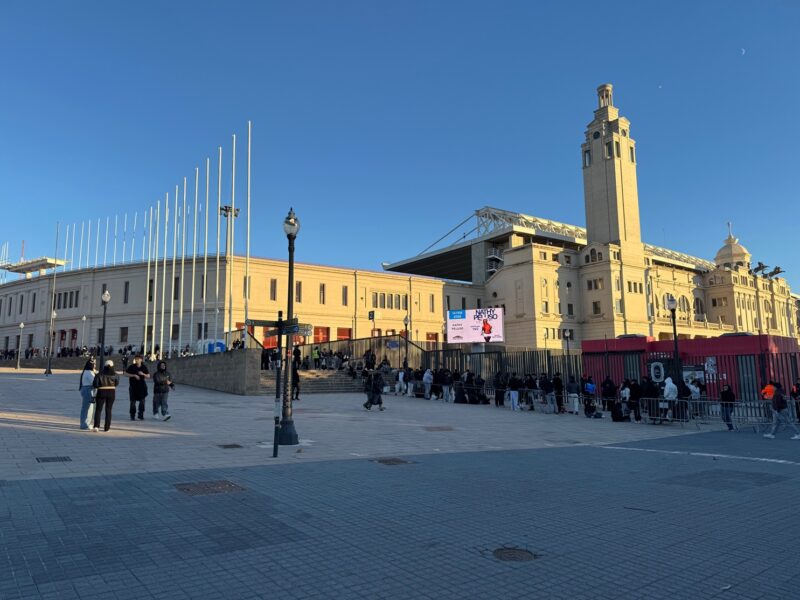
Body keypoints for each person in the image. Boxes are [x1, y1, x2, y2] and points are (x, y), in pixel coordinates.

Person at [92, 360, 119, 432]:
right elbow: (116, 384)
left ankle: (96, 426)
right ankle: (107, 427)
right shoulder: (115, 375)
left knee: (98, 409)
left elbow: (95, 384)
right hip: (111, 392)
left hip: (101, 391)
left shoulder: (99, 374)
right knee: (108, 410)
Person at [124, 355, 150, 420]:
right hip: (133, 387)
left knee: (142, 402)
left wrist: (143, 374)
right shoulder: (132, 366)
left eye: (138, 359)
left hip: (142, 387)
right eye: (136, 359)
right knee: (132, 402)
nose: (136, 360)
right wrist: (134, 375)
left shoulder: (144, 367)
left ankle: (140, 415)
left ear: (141, 360)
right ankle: (132, 415)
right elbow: (125, 374)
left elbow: (148, 376)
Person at [78, 358, 97, 430]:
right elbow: (94, 382)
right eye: (94, 364)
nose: (95, 365)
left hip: (87, 389)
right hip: (88, 389)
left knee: (89, 408)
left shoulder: (87, 371)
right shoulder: (89, 372)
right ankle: (84, 424)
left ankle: (87, 423)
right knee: (87, 408)